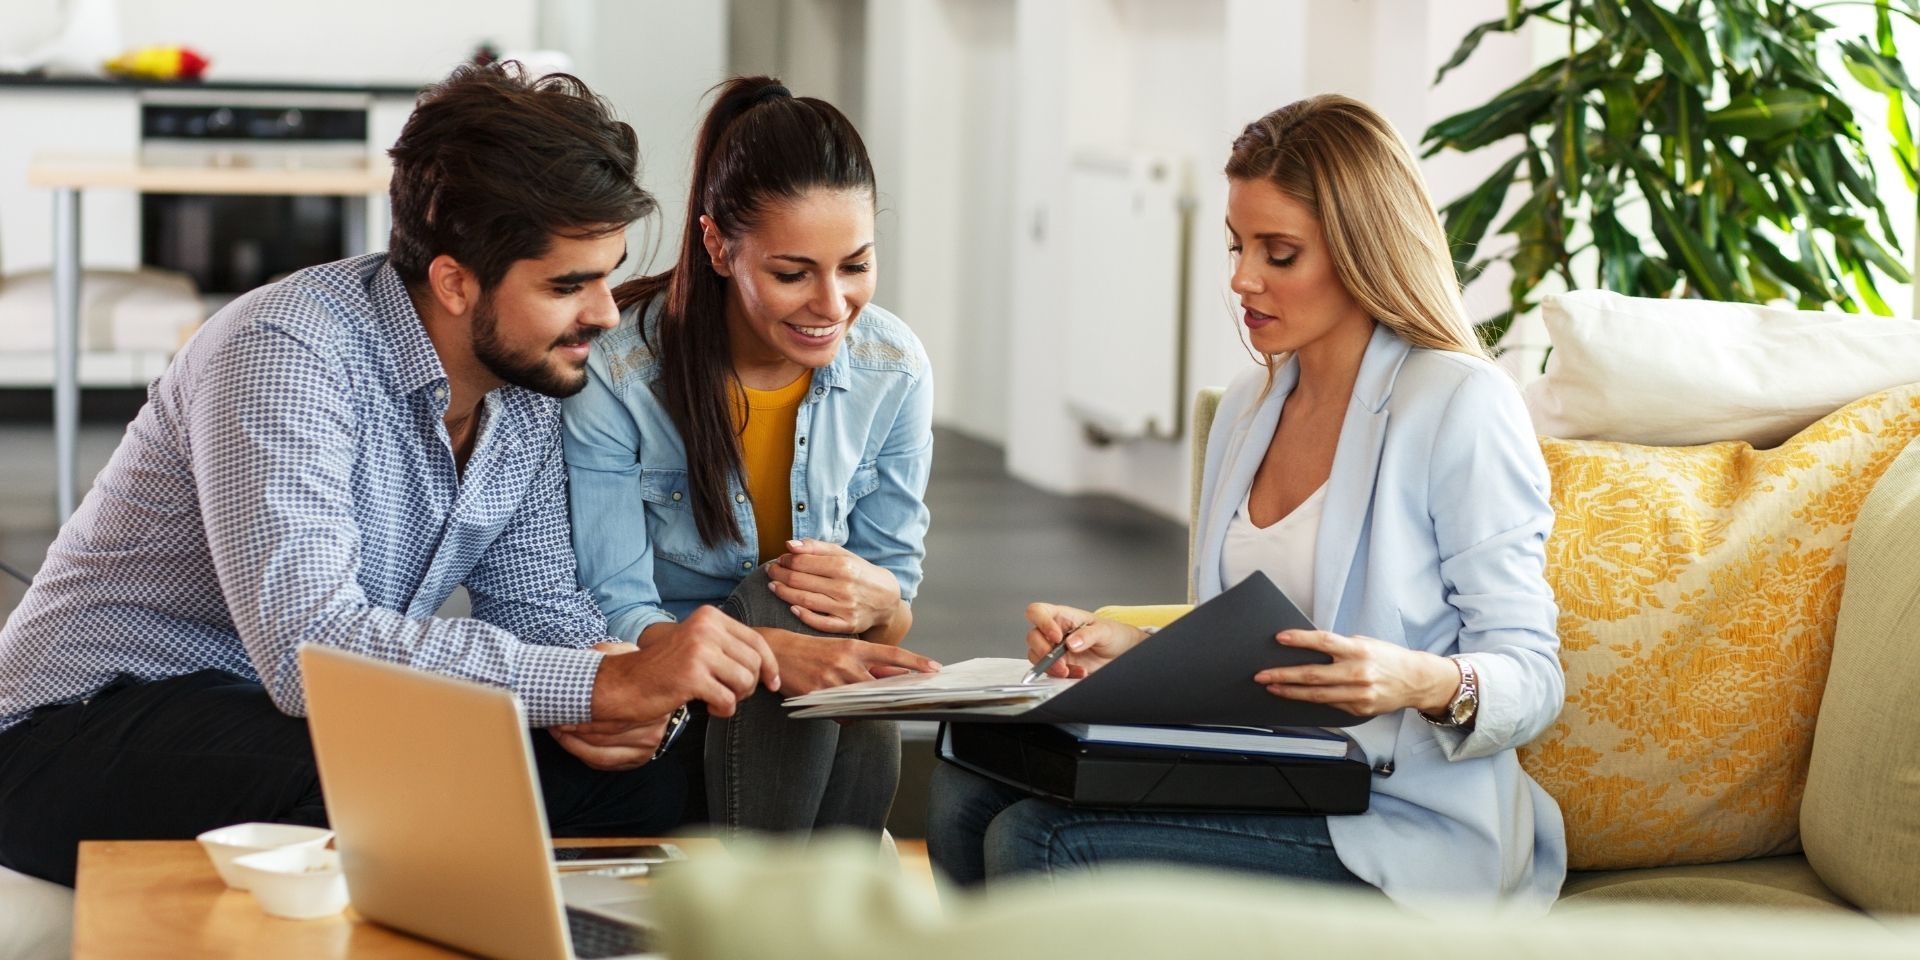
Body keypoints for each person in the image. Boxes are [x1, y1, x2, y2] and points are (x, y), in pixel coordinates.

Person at [0, 63, 778, 888]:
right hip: (76, 727)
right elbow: (311, 648)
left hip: (281, 718)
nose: (603, 313)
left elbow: (542, 608)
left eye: (605, 274)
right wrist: (595, 681)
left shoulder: (525, 390)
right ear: (454, 281)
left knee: (645, 782)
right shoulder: (285, 353)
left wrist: (624, 703)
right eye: (567, 285)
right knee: (389, 777)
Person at [926, 94, 1567, 912]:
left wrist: (1416, 681)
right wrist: (1137, 648)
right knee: (961, 794)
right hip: (1267, 781)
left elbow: (1534, 676)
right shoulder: (1246, 407)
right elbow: (1247, 647)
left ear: (1362, 252)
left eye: (1279, 252)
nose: (1241, 278)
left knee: (1037, 839)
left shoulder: (1458, 404)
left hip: (1398, 820)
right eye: (1237, 245)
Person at [563, 76, 938, 840]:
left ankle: (801, 918)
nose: (832, 305)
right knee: (779, 599)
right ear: (717, 246)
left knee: (829, 626)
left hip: (808, 712)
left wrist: (880, 604)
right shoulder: (619, 371)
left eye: (856, 265)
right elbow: (616, 609)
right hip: (676, 700)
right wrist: (773, 648)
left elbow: (890, 608)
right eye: (792, 273)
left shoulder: (895, 367)